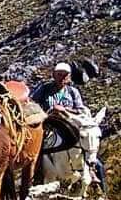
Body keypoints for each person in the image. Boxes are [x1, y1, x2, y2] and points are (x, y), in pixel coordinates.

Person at [32, 62, 106, 190]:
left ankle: (95, 175)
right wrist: (49, 110)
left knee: (86, 144)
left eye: (65, 75)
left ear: (69, 77)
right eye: (59, 74)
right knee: (39, 146)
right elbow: (32, 103)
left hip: (70, 125)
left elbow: (81, 110)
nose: (62, 77)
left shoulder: (72, 92)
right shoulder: (44, 88)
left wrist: (65, 110)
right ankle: (36, 173)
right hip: (49, 124)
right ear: (54, 75)